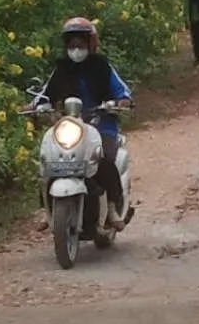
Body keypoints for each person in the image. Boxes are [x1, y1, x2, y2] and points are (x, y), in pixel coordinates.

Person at [31, 17, 134, 231]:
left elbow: (122, 91)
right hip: (69, 126)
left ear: (90, 45)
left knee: (103, 157)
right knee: (48, 159)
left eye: (80, 45)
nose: (76, 50)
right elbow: (45, 94)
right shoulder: (62, 68)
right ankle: (46, 209)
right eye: (72, 45)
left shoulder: (102, 66)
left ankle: (113, 207)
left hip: (101, 123)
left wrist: (121, 101)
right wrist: (35, 105)